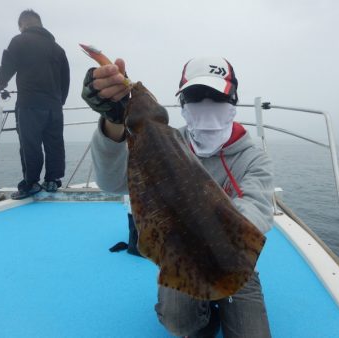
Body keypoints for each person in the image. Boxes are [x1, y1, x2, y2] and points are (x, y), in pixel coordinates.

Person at [82, 56, 274, 337]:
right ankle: (205, 317)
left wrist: (212, 232)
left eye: (215, 95)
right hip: (182, 254)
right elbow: (113, 182)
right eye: (196, 95)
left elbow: (257, 209)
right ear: (182, 103)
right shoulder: (160, 144)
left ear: (233, 100)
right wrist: (114, 123)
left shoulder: (252, 156)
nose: (206, 103)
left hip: (234, 258)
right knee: (178, 321)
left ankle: (224, 297)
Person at [0, 9, 70, 199]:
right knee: (55, 144)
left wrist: (1, 82)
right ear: (40, 24)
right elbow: (66, 79)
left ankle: (31, 183)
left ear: (24, 25)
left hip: (29, 104)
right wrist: (58, 102)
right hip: (54, 106)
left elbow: (7, 65)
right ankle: (53, 181)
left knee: (30, 144)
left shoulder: (19, 40)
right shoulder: (58, 49)